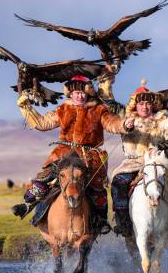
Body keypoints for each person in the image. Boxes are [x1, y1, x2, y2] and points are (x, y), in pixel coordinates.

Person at [12, 75, 134, 234]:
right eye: (76, 92)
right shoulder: (63, 109)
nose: (79, 95)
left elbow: (113, 124)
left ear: (88, 92)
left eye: (82, 92)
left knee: (97, 187)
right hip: (63, 153)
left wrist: (125, 124)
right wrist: (26, 108)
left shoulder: (99, 110)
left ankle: (101, 220)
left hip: (89, 156)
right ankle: (27, 205)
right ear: (70, 93)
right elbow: (42, 123)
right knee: (45, 177)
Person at [110, 80, 168, 237]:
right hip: (133, 163)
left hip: (159, 162)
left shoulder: (163, 120)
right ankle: (123, 221)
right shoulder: (126, 119)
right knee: (119, 181)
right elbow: (112, 111)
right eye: (141, 103)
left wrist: (162, 148)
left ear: (153, 105)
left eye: (148, 103)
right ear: (135, 105)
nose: (145, 106)